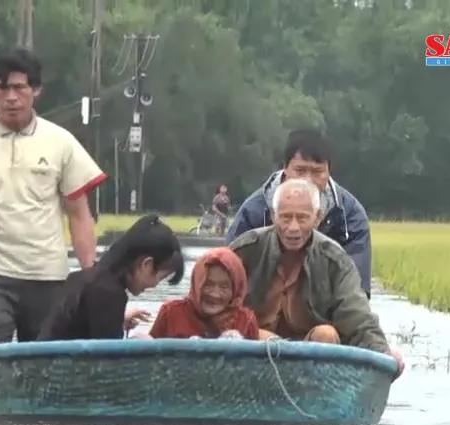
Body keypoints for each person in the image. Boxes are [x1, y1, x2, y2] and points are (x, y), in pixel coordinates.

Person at [0, 48, 106, 396]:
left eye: (20, 88)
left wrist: (91, 274)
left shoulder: (61, 143)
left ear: (36, 91)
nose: (11, 97)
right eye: (2, 88)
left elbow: (79, 214)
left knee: (40, 376)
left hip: (47, 278)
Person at [230, 179, 403, 375]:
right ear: (273, 216)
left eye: (302, 218)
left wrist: (383, 351)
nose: (293, 228)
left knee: (326, 334)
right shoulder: (247, 248)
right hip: (253, 348)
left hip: (310, 354)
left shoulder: (334, 259)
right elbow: (212, 300)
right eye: (286, 217)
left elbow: (357, 315)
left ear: (317, 217)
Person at [225, 129, 373, 297]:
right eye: (300, 170)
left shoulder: (350, 215)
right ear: (285, 169)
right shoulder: (254, 210)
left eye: (317, 172)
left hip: (323, 307)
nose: (308, 180)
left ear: (329, 172)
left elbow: (358, 289)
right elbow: (226, 275)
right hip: (263, 305)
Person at [38, 214, 185, 340]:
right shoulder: (109, 294)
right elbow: (107, 364)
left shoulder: (85, 278)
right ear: (146, 264)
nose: (154, 285)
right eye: (160, 277)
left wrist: (117, 320)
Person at [149, 247, 259, 340]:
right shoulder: (171, 312)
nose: (215, 294)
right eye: (208, 284)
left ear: (236, 289)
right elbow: (148, 357)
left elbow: (257, 363)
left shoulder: (245, 321)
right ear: (197, 282)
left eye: (224, 287)